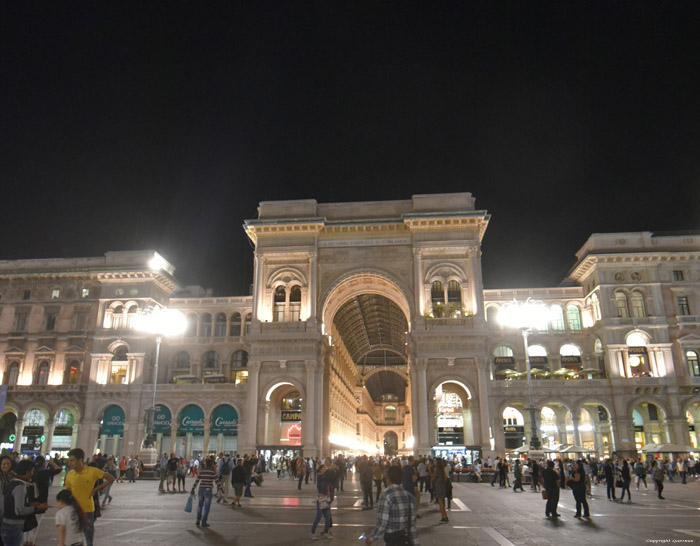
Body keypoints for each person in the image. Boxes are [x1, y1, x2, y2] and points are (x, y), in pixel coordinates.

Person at [64, 448, 114, 546]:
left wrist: (96, 489)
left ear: (81, 460)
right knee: (73, 537)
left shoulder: (92, 471)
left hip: (88, 509)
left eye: (72, 460)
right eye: (69, 461)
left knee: (88, 537)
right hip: (74, 510)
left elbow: (110, 478)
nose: (70, 463)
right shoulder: (70, 475)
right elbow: (68, 492)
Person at [365, 465, 419, 545]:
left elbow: (382, 523)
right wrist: (416, 542)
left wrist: (371, 538)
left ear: (389, 479)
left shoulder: (386, 496)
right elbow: (412, 523)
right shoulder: (409, 496)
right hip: (405, 539)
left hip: (392, 539)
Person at [0, 460, 49, 546]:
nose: (32, 474)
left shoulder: (12, 483)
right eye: (32, 471)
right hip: (13, 526)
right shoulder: (20, 487)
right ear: (27, 472)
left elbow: (13, 503)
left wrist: (31, 505)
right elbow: (19, 510)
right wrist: (37, 508)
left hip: (7, 525)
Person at [190, 458, 222, 528]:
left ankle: (198, 520)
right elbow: (217, 481)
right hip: (208, 490)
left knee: (200, 505)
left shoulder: (202, 471)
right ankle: (204, 522)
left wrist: (193, 488)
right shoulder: (212, 472)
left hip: (201, 489)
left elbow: (197, 480)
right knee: (207, 507)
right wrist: (220, 488)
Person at [310, 463, 333, 540]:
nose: (325, 469)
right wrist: (329, 468)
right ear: (320, 470)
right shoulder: (320, 476)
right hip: (321, 499)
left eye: (325, 467)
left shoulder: (326, 477)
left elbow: (332, 476)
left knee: (328, 517)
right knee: (319, 516)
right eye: (323, 468)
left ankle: (326, 532)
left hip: (326, 499)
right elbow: (326, 475)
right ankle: (312, 532)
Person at [431, 459, 449, 524]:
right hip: (442, 487)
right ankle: (445, 516)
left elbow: (433, 478)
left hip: (439, 487)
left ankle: (444, 517)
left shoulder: (437, 469)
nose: (434, 462)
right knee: (442, 503)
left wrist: (431, 472)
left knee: (441, 503)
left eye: (435, 461)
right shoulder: (442, 469)